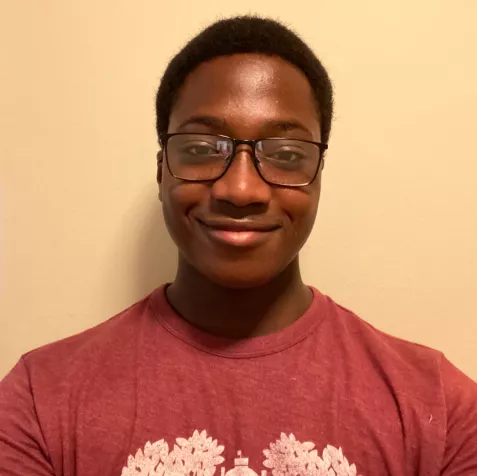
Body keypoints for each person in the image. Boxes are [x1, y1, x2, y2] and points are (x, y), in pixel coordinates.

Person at [0, 15, 476, 476]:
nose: (242, 189)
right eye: (203, 148)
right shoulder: (40, 403)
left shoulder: (440, 411)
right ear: (162, 168)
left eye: (286, 155)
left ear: (319, 176)